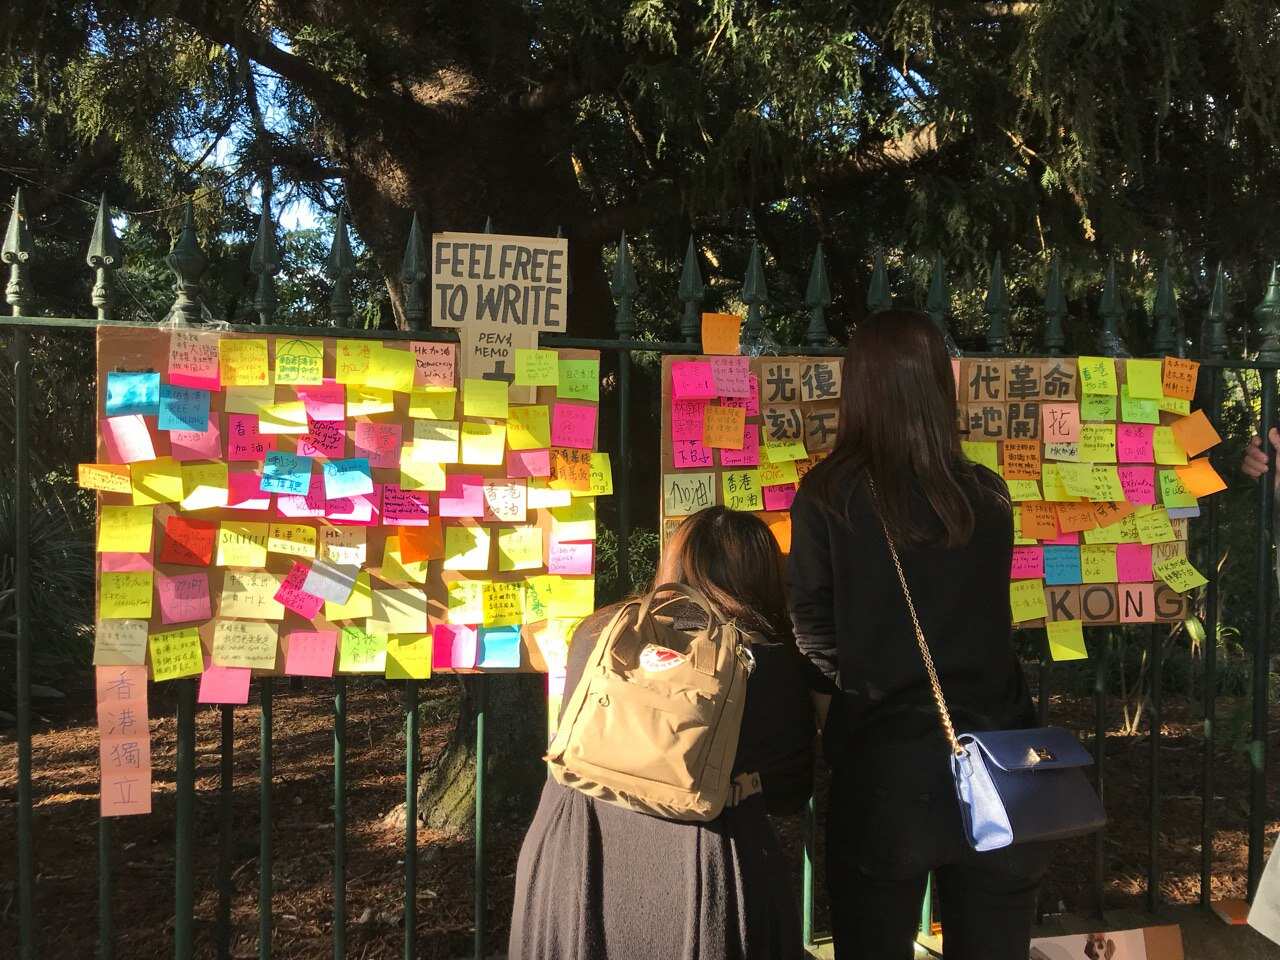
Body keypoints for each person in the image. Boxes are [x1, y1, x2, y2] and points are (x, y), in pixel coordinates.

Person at [787, 310, 1053, 960]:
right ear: (939, 384)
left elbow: (810, 629)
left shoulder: (829, 495)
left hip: (885, 764)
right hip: (995, 759)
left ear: (861, 386)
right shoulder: (986, 496)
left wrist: (857, 689)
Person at [508, 505, 815, 960]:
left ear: (670, 564)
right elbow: (790, 794)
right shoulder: (766, 660)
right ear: (766, 578)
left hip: (572, 853)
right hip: (708, 872)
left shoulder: (598, 633)